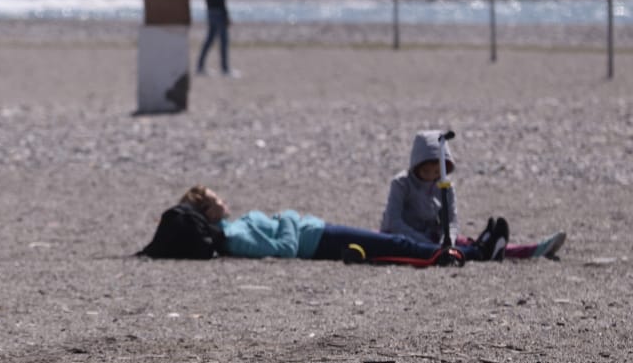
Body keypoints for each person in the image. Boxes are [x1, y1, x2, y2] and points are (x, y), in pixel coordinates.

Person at [158, 186, 498, 263]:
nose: (224, 199)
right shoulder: (231, 238)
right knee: (395, 245)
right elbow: (284, 250)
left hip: (318, 234)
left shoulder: (232, 227)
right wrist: (288, 216)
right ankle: (473, 252)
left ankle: (472, 248)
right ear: (207, 208)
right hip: (315, 241)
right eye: (216, 198)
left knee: (391, 243)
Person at [381, 131, 565, 261]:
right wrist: (426, 242)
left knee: (467, 243)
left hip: (433, 237)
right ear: (416, 165)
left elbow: (451, 220)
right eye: (427, 170)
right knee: (465, 249)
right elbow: (394, 222)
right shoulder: (401, 183)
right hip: (404, 238)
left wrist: (448, 241)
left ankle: (531, 250)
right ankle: (486, 250)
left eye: (437, 170)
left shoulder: (445, 186)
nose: (432, 175)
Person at [196, 0, 232, 76]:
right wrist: (226, 14)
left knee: (210, 40)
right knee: (223, 40)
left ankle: (200, 66)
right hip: (218, 12)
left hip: (211, 11)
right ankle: (224, 69)